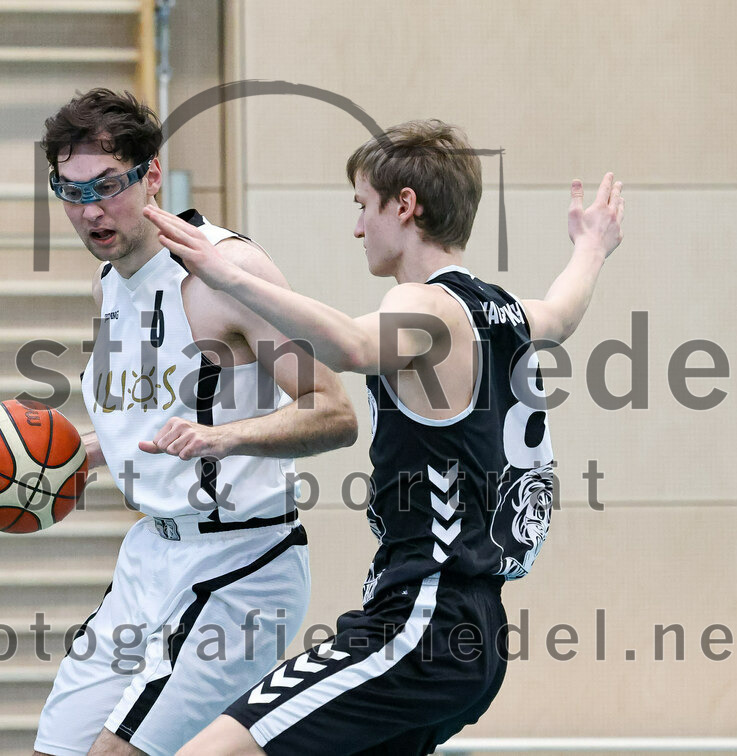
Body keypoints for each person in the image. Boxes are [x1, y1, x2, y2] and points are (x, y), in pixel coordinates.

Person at [144, 120, 625, 755]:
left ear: (404, 205)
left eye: (363, 206)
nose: (357, 228)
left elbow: (350, 346)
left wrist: (227, 275)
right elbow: (561, 314)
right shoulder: (503, 309)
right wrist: (591, 248)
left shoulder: (423, 306)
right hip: (471, 627)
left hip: (421, 624)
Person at [32, 89, 358, 756]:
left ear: (152, 175)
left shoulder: (223, 272)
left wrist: (224, 438)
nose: (90, 209)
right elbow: (166, 418)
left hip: (242, 564)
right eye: (71, 191)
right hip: (151, 559)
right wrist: (80, 453)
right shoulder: (108, 282)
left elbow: (333, 410)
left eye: (108, 186)